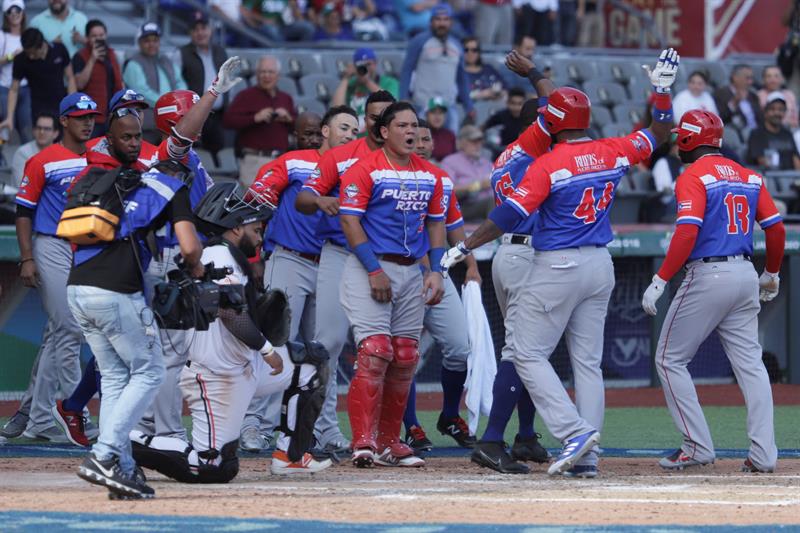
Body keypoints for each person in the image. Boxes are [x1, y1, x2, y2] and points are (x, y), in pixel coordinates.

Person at [442, 48, 679, 477]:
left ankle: (573, 432)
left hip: (554, 262)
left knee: (525, 352)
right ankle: (586, 456)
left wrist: (466, 245)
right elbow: (662, 129)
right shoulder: (613, 150)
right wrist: (661, 91)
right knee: (586, 362)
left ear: (549, 122)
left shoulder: (546, 163)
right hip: (598, 263)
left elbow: (511, 214)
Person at [130, 182, 331, 481]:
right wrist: (267, 349)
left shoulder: (229, 255)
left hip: (244, 365)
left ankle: (291, 455)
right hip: (217, 377)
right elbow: (228, 314)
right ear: (236, 228)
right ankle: (125, 441)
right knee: (214, 467)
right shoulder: (218, 256)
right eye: (253, 225)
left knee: (311, 364)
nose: (259, 230)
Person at [69, 103, 204, 499]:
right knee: (149, 372)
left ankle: (124, 469)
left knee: (113, 379)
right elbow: (190, 248)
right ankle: (105, 454)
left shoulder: (110, 180)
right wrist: (195, 270)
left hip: (78, 287)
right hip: (115, 291)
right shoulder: (171, 186)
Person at [640, 109, 785, 474]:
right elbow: (776, 229)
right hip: (745, 273)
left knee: (669, 360)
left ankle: (696, 445)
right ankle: (765, 454)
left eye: (680, 137)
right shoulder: (749, 174)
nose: (676, 144)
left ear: (690, 139)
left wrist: (659, 279)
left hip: (708, 275)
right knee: (751, 367)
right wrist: (771, 273)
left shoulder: (692, 175)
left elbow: (687, 233)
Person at [240, 106, 360, 454]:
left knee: (327, 351)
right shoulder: (296, 161)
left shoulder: (358, 168)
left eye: (355, 130)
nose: (350, 135)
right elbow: (257, 197)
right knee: (275, 343)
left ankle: (324, 430)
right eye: (343, 127)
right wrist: (255, 254)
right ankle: (254, 425)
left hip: (332, 262)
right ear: (325, 131)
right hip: (291, 258)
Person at [338, 100, 446, 468]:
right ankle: (363, 441)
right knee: (374, 351)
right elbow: (350, 223)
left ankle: (388, 441)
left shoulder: (432, 174)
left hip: (412, 269)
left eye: (415, 125)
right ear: (384, 132)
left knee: (404, 356)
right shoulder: (363, 169)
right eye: (402, 125)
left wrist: (436, 270)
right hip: (372, 265)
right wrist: (372, 269)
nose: (412, 132)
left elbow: (435, 224)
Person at [295, 90, 396, 456]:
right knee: (329, 344)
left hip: (387, 258)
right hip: (340, 253)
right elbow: (302, 200)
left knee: (391, 348)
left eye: (387, 116)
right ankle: (317, 430)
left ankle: (387, 435)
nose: (378, 122)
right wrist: (321, 199)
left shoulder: (405, 160)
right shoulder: (340, 156)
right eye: (372, 116)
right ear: (367, 119)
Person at [470, 50, 555, 474]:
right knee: (521, 351)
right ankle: (492, 439)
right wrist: (537, 74)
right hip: (528, 255)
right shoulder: (533, 153)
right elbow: (554, 110)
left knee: (529, 349)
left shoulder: (506, 156)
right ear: (536, 126)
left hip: (511, 253)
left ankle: (524, 436)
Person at [8, 93, 99, 446]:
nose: (87, 121)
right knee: (69, 326)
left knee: (56, 333)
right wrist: (27, 257)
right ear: (64, 121)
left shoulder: (99, 154)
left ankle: (36, 414)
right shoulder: (42, 160)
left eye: (91, 116)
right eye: (79, 116)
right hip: (52, 243)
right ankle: (77, 412)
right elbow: (23, 212)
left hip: (87, 247)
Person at [401, 117, 481, 452]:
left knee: (460, 348)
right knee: (404, 355)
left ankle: (449, 414)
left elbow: (454, 227)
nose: (421, 144)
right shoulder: (395, 174)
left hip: (439, 272)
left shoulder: (441, 178)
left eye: (425, 139)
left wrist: (472, 264)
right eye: (414, 138)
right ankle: (411, 426)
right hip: (404, 273)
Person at [399, 3, 473, 132]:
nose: (441, 23)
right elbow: (406, 70)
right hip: (423, 105)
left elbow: (462, 79)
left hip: (448, 107)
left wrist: (469, 106)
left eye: (445, 19)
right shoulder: (419, 41)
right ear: (431, 21)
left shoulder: (457, 45)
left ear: (451, 22)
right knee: (420, 145)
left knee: (450, 144)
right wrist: (403, 98)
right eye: (438, 19)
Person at [223, 55, 296, 182]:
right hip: (254, 160)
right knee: (253, 201)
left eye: (271, 72)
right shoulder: (245, 96)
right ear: (256, 74)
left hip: (281, 160)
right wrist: (255, 118)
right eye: (263, 72)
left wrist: (288, 118)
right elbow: (228, 121)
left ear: (278, 75)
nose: (266, 76)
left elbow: (297, 128)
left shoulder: (286, 98)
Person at [0, 27, 75, 137]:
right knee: (43, 145)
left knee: (63, 143)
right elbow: (14, 89)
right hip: (38, 109)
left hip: (61, 106)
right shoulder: (21, 59)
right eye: (27, 53)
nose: (30, 56)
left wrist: (72, 105)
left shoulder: (59, 49)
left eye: (33, 53)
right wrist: (10, 117)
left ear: (42, 45)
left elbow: (70, 77)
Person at [180, 11, 228, 158]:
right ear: (190, 33)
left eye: (203, 28)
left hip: (218, 115)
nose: (200, 33)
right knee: (195, 156)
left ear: (210, 29)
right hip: (195, 116)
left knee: (219, 154)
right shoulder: (182, 53)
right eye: (195, 29)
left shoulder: (220, 51)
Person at [72, 19, 122, 136]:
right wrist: (93, 59)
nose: (98, 38)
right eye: (94, 36)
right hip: (90, 117)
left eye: (101, 35)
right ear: (88, 38)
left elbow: (119, 83)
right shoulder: (80, 56)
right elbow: (80, 84)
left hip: (111, 116)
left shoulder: (111, 54)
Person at [331, 47, 399, 131]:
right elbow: (336, 108)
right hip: (355, 132)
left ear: (375, 63)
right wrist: (346, 78)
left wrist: (367, 82)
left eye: (368, 64)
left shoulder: (389, 82)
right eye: (361, 65)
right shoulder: (351, 84)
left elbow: (391, 103)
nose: (366, 68)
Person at [441, 124, 493, 221]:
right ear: (461, 143)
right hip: (462, 206)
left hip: (486, 204)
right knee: (492, 202)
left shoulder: (487, 163)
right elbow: (447, 191)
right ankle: (494, 235)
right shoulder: (450, 162)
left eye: (479, 141)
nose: (478, 145)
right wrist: (478, 186)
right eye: (473, 141)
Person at [0, 0, 31, 143]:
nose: (14, 15)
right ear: (6, 16)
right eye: (10, 12)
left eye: (17, 11)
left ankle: (27, 160)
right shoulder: (2, 36)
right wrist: (12, 56)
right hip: (5, 87)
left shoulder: (29, 35)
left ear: (23, 13)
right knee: (5, 129)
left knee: (27, 127)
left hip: (25, 87)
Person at [746, 92, 800, 171]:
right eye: (772, 109)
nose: (777, 113)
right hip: (768, 178)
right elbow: (762, 161)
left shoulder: (787, 134)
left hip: (789, 178)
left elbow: (796, 160)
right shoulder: (757, 134)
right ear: (766, 112)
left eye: (780, 109)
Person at [11, 111, 57, 186]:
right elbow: (22, 185)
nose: (42, 132)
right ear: (34, 131)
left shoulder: (61, 153)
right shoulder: (22, 152)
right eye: (39, 128)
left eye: (47, 129)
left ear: (55, 133)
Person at [713, 64, 762, 131]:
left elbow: (760, 119)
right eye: (747, 78)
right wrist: (733, 103)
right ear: (735, 78)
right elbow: (720, 119)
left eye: (751, 78)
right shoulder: (721, 94)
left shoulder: (753, 95)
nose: (750, 82)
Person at [463, 36, 505, 102]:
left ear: (479, 52)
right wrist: (481, 95)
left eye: (474, 50)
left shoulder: (489, 69)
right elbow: (457, 96)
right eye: (466, 50)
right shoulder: (458, 72)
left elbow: (506, 89)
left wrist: (497, 93)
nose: (470, 53)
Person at [757, 66, 798, 130]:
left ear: (782, 78)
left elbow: (795, 119)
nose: (773, 80)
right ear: (763, 79)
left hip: (791, 130)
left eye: (776, 76)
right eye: (769, 76)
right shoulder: (758, 96)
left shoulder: (789, 95)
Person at [426, 96, 455, 161]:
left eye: (440, 113)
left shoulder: (450, 135)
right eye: (433, 112)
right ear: (427, 115)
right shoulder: (419, 135)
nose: (437, 117)